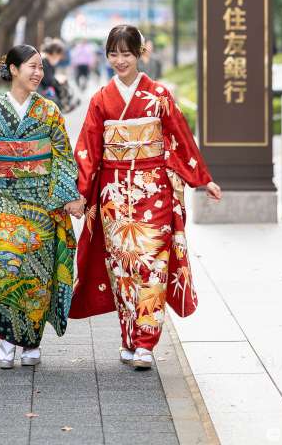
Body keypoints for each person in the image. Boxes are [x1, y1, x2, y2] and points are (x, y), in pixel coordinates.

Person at [70, 24, 221, 370]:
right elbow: (88, 149)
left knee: (152, 263)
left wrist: (202, 179)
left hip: (153, 190)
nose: (120, 60)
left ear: (141, 53)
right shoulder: (100, 100)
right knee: (122, 266)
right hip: (113, 193)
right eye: (113, 53)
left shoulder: (159, 95)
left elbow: (181, 140)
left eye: (126, 53)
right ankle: (129, 334)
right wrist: (79, 194)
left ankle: (145, 342)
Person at [0, 44, 85, 369]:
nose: (38, 73)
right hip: (3, 202)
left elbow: (63, 156)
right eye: (31, 67)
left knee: (37, 276)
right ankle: (8, 339)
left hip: (41, 203)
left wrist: (68, 196)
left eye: (40, 67)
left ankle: (31, 342)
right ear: (13, 69)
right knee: (5, 271)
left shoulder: (49, 111)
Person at [40, 38, 65, 106]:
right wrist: (57, 81)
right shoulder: (43, 61)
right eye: (59, 57)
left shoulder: (47, 61)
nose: (58, 59)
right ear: (54, 53)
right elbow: (47, 81)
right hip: (40, 91)